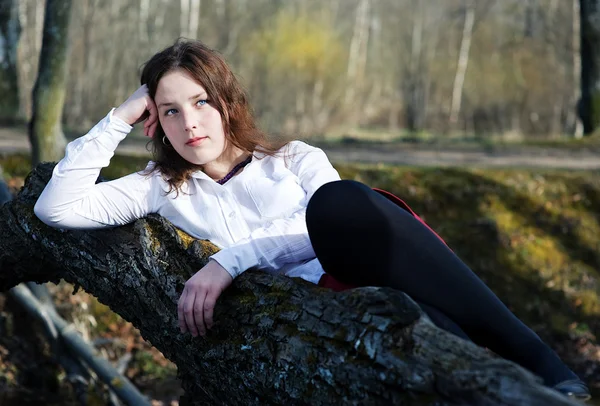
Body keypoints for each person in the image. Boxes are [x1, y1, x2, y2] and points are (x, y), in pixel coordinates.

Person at [33, 39, 590, 402]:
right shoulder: (160, 188)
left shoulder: (294, 159)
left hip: (372, 258)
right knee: (450, 352)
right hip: (341, 303)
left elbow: (332, 227)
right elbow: (56, 207)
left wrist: (233, 260)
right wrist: (122, 116)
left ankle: (542, 358)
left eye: (200, 101)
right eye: (170, 109)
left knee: (338, 204)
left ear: (226, 102)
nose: (189, 122)